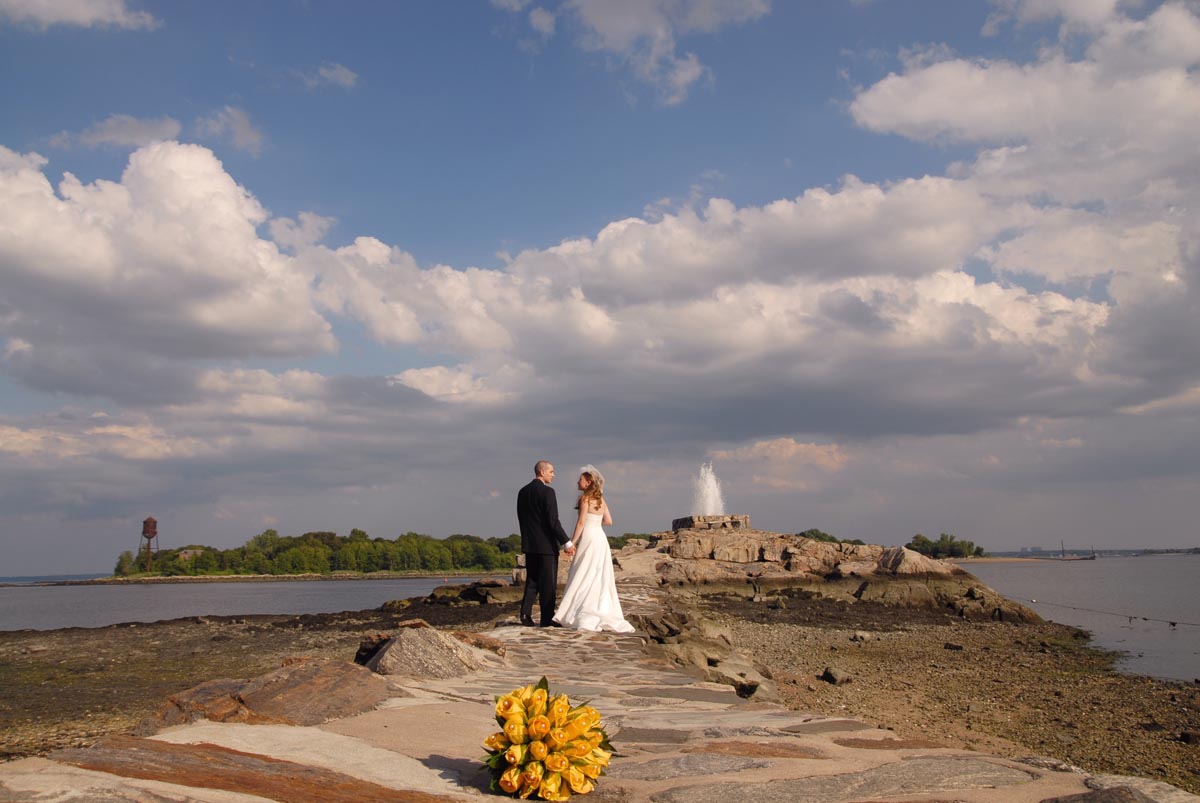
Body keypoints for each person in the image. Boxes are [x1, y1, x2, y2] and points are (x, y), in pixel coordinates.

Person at [552, 465, 635, 632]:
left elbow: (581, 523)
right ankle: (599, 607)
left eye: (580, 480)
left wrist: (572, 542)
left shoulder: (585, 499)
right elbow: (609, 521)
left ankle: (576, 610)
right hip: (600, 538)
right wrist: (596, 522)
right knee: (598, 574)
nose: (578, 482)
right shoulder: (601, 499)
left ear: (588, 482)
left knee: (583, 572)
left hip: (589, 538)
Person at [517, 460, 575, 627]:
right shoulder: (548, 492)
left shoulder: (522, 491)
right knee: (548, 583)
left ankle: (525, 614)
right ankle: (546, 618)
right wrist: (566, 543)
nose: (553, 475)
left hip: (529, 544)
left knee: (532, 581)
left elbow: (522, 519)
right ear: (542, 472)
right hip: (546, 546)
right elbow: (553, 521)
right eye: (551, 472)